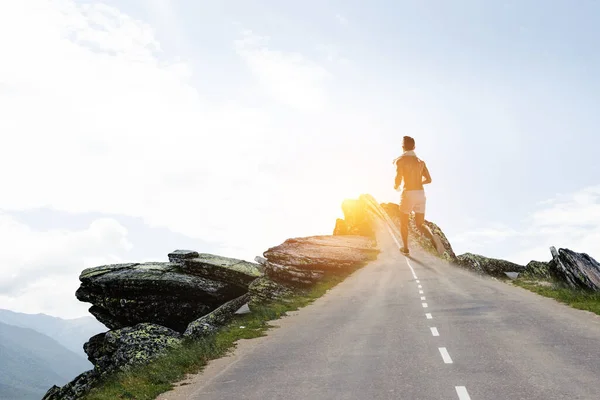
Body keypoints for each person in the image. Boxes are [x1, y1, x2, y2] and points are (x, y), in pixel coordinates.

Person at [393, 136, 443, 255]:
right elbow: (429, 180)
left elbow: (398, 178)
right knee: (420, 224)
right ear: (414, 147)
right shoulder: (421, 162)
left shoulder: (401, 160)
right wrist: (419, 182)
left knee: (404, 222)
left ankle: (405, 249)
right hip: (421, 194)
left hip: (408, 193)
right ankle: (433, 238)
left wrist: (396, 186)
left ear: (402, 146)